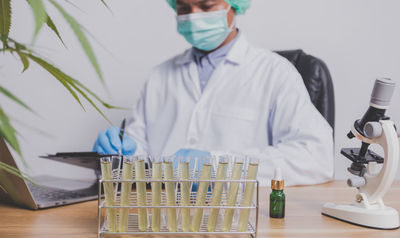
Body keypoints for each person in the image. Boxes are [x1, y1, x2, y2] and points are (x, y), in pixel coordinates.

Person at [92, 0, 334, 186]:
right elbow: (141, 155)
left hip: (241, 221)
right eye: (184, 8)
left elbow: (315, 158)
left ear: (233, 6)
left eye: (206, 5)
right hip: (161, 215)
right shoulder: (159, 76)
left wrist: (218, 167)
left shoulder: (275, 73)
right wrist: (122, 152)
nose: (193, 17)